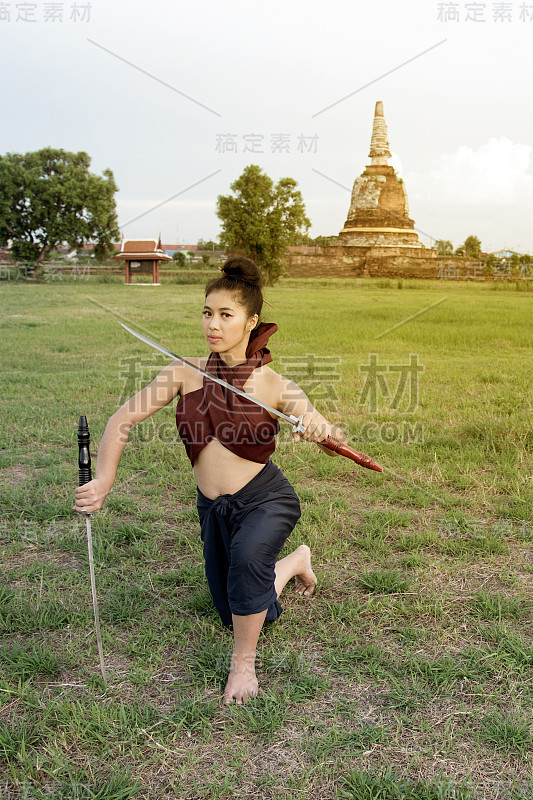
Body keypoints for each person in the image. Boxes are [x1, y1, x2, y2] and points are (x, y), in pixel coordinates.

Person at [74, 258, 346, 704]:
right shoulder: (184, 372)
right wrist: (103, 481)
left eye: (225, 315)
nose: (212, 324)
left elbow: (331, 433)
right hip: (213, 507)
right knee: (236, 605)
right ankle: (296, 561)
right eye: (207, 313)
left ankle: (243, 665)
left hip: (265, 499)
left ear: (251, 321)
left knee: (246, 564)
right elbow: (122, 419)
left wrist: (320, 429)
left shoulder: (276, 384)